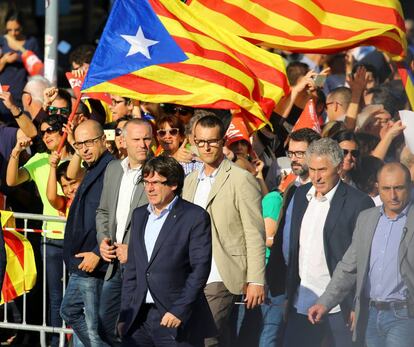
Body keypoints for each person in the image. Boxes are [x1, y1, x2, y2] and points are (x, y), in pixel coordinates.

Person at [308, 163, 414, 347]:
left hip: (404, 314)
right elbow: (348, 267)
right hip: (369, 313)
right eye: (386, 189)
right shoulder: (367, 218)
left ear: (409, 186)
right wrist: (325, 302)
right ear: (377, 187)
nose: (393, 195)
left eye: (398, 188)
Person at [182, 114, 266, 346]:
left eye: (212, 141)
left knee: (204, 339)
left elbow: (254, 231)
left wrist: (256, 279)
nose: (206, 147)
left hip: (221, 273)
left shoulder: (240, 179)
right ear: (193, 141)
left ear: (223, 141)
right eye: (201, 142)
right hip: (190, 273)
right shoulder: (189, 181)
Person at [283, 138, 374, 347]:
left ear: (339, 167)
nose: (316, 176)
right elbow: (294, 249)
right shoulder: (299, 196)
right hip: (302, 302)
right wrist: (290, 295)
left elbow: (363, 259)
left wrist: (355, 304)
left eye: (322, 169)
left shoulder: (358, 203)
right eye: (312, 169)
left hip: (340, 308)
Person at [117, 156, 216, 346]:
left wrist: (180, 309)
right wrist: (125, 314)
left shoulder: (195, 217)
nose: (149, 188)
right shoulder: (139, 215)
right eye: (146, 182)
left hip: (173, 317)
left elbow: (200, 270)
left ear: (172, 184)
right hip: (138, 317)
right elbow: (133, 270)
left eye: (155, 182)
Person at [96, 119, 152, 346]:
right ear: (123, 141)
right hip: (114, 264)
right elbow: (103, 211)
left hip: (143, 265)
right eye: (136, 139)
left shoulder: (159, 173)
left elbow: (166, 224)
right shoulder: (113, 169)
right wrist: (102, 240)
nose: (142, 145)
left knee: (136, 328)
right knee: (104, 324)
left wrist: (135, 250)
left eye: (147, 139)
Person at [262, 128, 320, 347]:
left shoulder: (320, 193)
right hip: (281, 280)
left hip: (306, 284)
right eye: (291, 153)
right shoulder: (291, 190)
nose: (294, 159)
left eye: (300, 153)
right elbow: (281, 236)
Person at [60, 120, 113, 347]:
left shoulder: (112, 169)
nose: (85, 149)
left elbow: (117, 216)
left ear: (103, 140)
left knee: (94, 328)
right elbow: (72, 172)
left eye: (89, 142)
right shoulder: (92, 167)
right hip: (81, 260)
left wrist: (96, 253)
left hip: (93, 261)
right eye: (79, 145)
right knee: (70, 311)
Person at [0, 10, 40, 120]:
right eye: (9, 30)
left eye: (17, 29)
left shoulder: (31, 42)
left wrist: (22, 58)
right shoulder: (1, 41)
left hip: (23, 93)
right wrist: (4, 60)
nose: (13, 33)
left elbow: (38, 69)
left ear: (22, 27)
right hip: (3, 92)